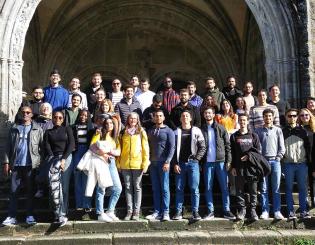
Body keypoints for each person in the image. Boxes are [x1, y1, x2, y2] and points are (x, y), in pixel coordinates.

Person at [2, 106, 43, 226]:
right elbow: (7, 147)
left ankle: (30, 215)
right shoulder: (14, 128)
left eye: (28, 112)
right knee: (13, 191)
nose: (25, 114)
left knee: (30, 191)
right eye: (23, 112)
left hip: (31, 165)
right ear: (20, 114)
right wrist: (6, 162)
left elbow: (42, 148)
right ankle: (11, 216)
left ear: (31, 114)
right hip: (16, 164)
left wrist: (39, 163)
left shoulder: (37, 129)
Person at [201, 107, 235, 220]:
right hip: (207, 163)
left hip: (220, 162)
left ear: (214, 114)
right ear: (204, 115)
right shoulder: (201, 129)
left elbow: (228, 146)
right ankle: (210, 211)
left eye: (209, 112)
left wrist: (229, 161)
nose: (208, 114)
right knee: (208, 187)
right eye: (206, 112)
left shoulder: (221, 128)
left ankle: (226, 210)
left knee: (224, 187)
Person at [172, 110, 206, 221]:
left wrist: (197, 159)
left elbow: (202, 147)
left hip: (193, 163)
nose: (185, 117)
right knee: (179, 188)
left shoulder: (196, 130)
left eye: (187, 116)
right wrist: (174, 163)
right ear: (180, 119)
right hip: (180, 164)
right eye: (183, 116)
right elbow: (172, 149)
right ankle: (178, 212)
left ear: (190, 118)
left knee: (194, 188)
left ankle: (195, 212)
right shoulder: (176, 132)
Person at [230, 113, 264, 221]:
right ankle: (242, 210)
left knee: (253, 190)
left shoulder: (254, 135)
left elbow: (258, 151)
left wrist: (248, 156)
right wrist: (233, 167)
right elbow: (232, 152)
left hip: (252, 167)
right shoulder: (234, 136)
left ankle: (253, 210)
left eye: (244, 120)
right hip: (239, 167)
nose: (242, 122)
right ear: (238, 122)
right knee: (239, 190)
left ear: (247, 121)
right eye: (240, 120)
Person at [43, 111, 75, 226]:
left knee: (63, 186)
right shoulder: (48, 132)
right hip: (53, 159)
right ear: (52, 118)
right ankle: (56, 213)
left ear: (63, 119)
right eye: (55, 117)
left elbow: (71, 145)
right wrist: (53, 159)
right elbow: (47, 146)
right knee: (54, 186)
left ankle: (63, 213)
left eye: (60, 117)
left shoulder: (67, 129)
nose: (57, 119)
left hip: (66, 158)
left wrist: (63, 159)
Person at [117, 112, 150, 221]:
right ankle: (129, 210)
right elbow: (119, 148)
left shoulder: (141, 131)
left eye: (135, 118)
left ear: (138, 120)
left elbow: (146, 148)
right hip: (125, 163)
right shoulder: (123, 132)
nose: (132, 120)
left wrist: (145, 163)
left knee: (137, 187)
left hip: (137, 163)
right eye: (131, 118)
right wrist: (118, 163)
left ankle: (136, 211)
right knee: (127, 187)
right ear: (128, 119)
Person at [255, 109, 286, 220]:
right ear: (263, 118)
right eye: (266, 116)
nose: (268, 118)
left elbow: (282, 147)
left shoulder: (278, 130)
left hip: (275, 161)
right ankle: (265, 211)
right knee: (263, 188)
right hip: (263, 163)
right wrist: (260, 160)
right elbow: (257, 148)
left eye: (269, 116)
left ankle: (277, 211)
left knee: (276, 188)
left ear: (273, 118)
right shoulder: (258, 131)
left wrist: (278, 158)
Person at [282, 109, 312, 219]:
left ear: (297, 117)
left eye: (294, 116)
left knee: (303, 188)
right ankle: (290, 212)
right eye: (289, 116)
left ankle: (304, 210)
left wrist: (309, 163)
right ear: (286, 117)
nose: (292, 118)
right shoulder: (283, 131)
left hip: (301, 163)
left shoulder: (303, 131)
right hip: (288, 163)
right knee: (289, 188)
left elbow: (308, 148)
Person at [146, 110, 175, 221]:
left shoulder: (169, 131)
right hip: (152, 164)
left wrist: (168, 162)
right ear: (153, 118)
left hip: (163, 164)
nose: (158, 117)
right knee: (155, 188)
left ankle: (166, 212)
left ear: (163, 118)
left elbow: (172, 148)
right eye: (156, 116)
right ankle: (157, 211)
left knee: (165, 188)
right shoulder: (151, 130)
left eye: (160, 116)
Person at [94, 117, 122, 222]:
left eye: (111, 123)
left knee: (118, 188)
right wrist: (103, 153)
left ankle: (110, 211)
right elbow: (92, 147)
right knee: (101, 189)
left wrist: (108, 150)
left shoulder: (116, 137)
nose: (109, 124)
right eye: (107, 123)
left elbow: (118, 152)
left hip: (112, 163)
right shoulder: (99, 134)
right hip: (101, 162)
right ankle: (100, 213)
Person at [71, 109, 94, 211]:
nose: (83, 117)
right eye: (81, 115)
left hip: (88, 152)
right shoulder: (73, 127)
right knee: (77, 178)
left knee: (87, 178)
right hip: (77, 152)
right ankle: (79, 204)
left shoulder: (92, 128)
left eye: (85, 115)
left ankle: (87, 204)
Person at [298, 108, 315, 206]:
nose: (304, 117)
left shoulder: (313, 129)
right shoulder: (298, 129)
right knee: (303, 182)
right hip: (302, 159)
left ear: (310, 116)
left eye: (306, 115)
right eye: (302, 115)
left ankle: (313, 200)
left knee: (312, 180)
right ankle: (305, 201)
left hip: (312, 158)